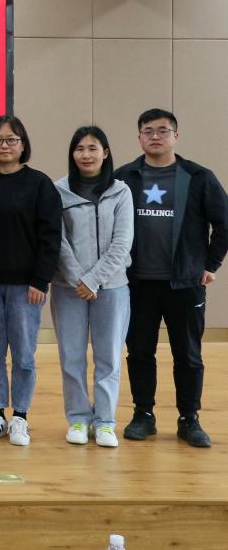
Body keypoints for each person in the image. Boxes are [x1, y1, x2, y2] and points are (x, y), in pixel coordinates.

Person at [117, 108, 227, 449]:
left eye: (162, 131)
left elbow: (224, 223)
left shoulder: (199, 177)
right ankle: (143, 415)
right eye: (148, 131)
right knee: (139, 352)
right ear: (139, 137)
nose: (155, 136)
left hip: (185, 284)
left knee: (188, 355)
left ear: (175, 136)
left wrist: (210, 264)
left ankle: (189, 419)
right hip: (137, 284)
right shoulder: (124, 177)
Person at [0, 115, 61, 447]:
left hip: (27, 286)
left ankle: (20, 416)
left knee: (24, 353)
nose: (5, 145)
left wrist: (41, 279)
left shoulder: (40, 184)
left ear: (23, 145)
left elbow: (51, 236)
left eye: (12, 139)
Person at [52, 126, 133, 448]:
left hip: (112, 287)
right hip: (68, 288)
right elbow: (57, 241)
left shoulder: (121, 192)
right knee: (71, 356)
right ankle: (77, 418)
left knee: (108, 357)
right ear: (72, 154)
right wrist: (79, 279)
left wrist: (94, 279)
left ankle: (105, 422)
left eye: (93, 148)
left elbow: (122, 242)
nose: (86, 155)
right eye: (79, 149)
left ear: (105, 153)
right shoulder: (58, 190)